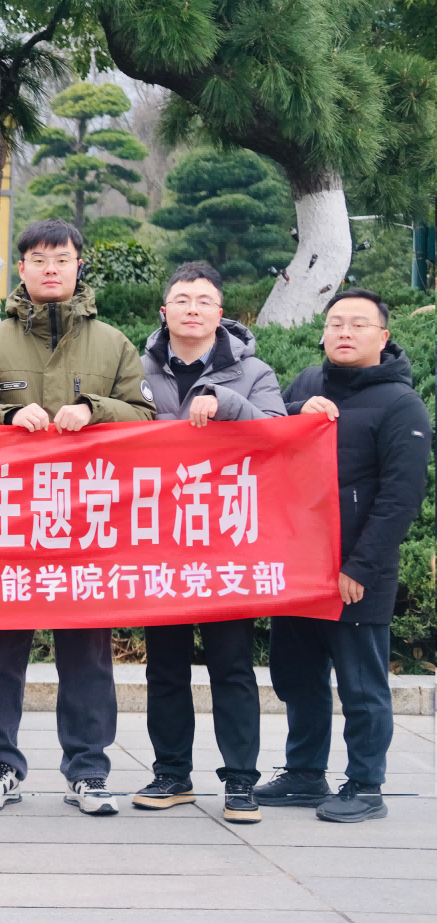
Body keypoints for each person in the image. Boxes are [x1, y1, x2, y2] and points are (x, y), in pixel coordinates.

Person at [0, 218, 155, 816]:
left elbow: (145, 417)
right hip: (8, 519)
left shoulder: (113, 344)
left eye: (61, 259)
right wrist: (6, 417)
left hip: (87, 520)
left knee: (87, 653)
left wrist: (94, 409)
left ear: (77, 266)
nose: (50, 268)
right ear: (21, 268)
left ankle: (87, 770)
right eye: (38, 259)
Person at [261, 288, 431, 823]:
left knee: (361, 685)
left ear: (383, 336)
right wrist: (295, 410)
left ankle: (366, 784)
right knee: (297, 676)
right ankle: (304, 773)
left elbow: (401, 497)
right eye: (335, 323)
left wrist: (360, 566)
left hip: (354, 571)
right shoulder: (307, 383)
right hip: (297, 564)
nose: (345, 333)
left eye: (358, 324)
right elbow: (264, 432)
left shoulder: (401, 404)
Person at [133, 261, 284, 823]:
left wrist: (228, 403)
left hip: (227, 545)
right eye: (181, 299)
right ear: (164, 311)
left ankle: (241, 780)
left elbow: (281, 437)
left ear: (221, 314)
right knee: (164, 666)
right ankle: (171, 773)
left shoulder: (253, 372)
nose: (192, 309)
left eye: (203, 300)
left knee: (232, 665)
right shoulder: (137, 370)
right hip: (157, 542)